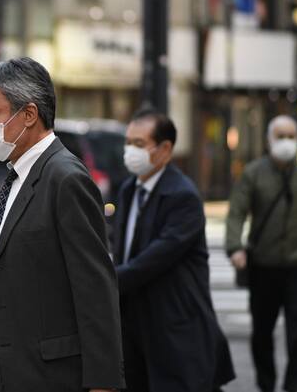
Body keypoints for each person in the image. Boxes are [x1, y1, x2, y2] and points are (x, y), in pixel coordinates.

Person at [0, 57, 124, 392]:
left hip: (47, 376)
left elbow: (95, 289)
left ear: (28, 115)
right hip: (0, 368)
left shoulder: (66, 178)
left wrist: (103, 383)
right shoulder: (17, 175)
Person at [111, 108, 235, 392]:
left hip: (175, 327)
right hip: (133, 327)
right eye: (128, 143)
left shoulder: (183, 196)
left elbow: (155, 257)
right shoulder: (129, 190)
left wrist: (108, 280)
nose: (130, 151)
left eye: (139, 144)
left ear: (165, 149)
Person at [226, 115, 297, 392]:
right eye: (280, 136)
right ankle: (266, 384)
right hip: (263, 265)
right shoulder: (253, 173)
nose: (286, 142)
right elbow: (236, 212)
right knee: (262, 332)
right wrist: (235, 247)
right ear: (269, 139)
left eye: (291, 136)